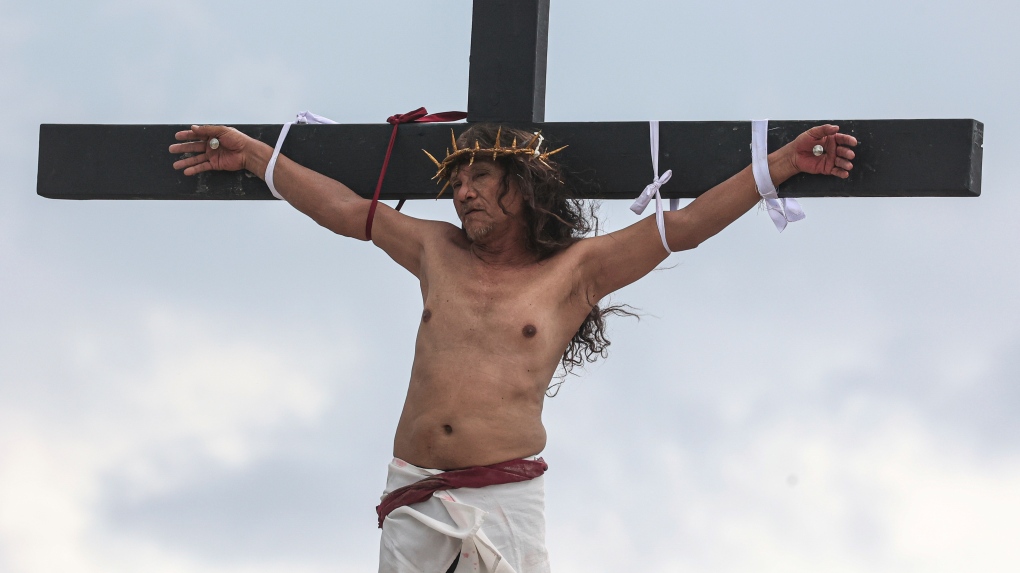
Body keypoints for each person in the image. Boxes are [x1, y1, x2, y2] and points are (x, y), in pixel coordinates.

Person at [169, 121, 857, 572]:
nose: (461, 193)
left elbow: (689, 224)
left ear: (520, 187)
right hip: (414, 487)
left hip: (505, 495)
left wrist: (778, 166)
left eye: (477, 180)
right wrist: (259, 155)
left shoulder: (574, 272)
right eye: (455, 183)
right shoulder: (435, 248)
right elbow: (346, 210)